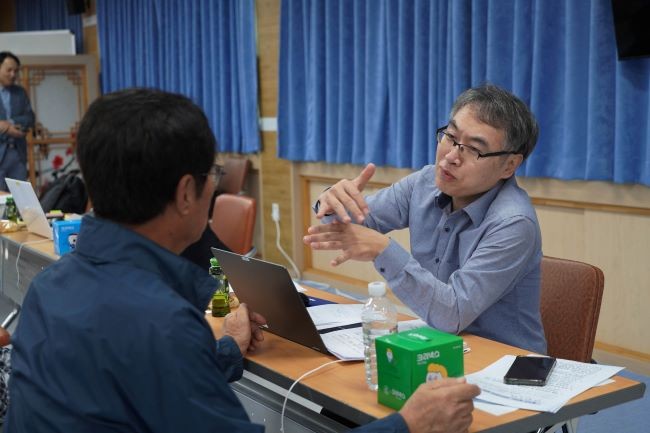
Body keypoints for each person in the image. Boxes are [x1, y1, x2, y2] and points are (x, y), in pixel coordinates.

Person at [6, 88, 479, 433]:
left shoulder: (51, 286)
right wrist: (407, 425)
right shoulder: (159, 323)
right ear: (187, 193)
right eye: (211, 174)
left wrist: (226, 350)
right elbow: (156, 361)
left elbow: (145, 385)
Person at [304, 84, 547, 354]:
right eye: (450, 137)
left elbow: (452, 314)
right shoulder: (424, 182)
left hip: (503, 361)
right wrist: (332, 203)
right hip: (439, 345)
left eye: (474, 149)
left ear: (509, 165)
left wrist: (383, 249)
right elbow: (347, 227)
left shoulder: (513, 223)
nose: (451, 157)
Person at [0, 51, 34, 191]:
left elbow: (30, 118)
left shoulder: (20, 92)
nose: (13, 74)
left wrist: (9, 124)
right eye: (9, 70)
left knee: (20, 197)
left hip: (17, 153)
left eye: (15, 71)